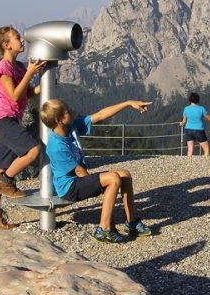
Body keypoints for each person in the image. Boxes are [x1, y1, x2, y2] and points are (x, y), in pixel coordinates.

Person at [40, 97, 154, 243]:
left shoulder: (71, 127)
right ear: (59, 120)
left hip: (79, 179)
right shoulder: (56, 145)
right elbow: (79, 171)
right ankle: (104, 229)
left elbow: (100, 115)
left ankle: (132, 222)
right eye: (67, 111)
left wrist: (128, 103)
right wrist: (100, 187)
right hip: (69, 187)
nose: (71, 112)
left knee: (124, 175)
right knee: (113, 179)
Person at [0, 25, 54, 230]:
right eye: (17, 38)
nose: (22, 40)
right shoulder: (3, 68)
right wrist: (30, 72)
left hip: (10, 120)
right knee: (33, 150)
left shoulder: (19, 67)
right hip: (3, 120)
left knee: (0, 168)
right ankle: (6, 182)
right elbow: (14, 95)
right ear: (7, 45)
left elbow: (26, 93)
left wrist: (45, 85)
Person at [179, 92, 210, 156]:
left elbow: (184, 121)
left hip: (188, 130)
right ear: (198, 99)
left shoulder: (186, 109)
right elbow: (209, 118)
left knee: (190, 150)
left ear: (190, 100)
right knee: (206, 149)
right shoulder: (201, 109)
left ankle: (188, 164)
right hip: (199, 130)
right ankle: (206, 163)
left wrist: (181, 124)